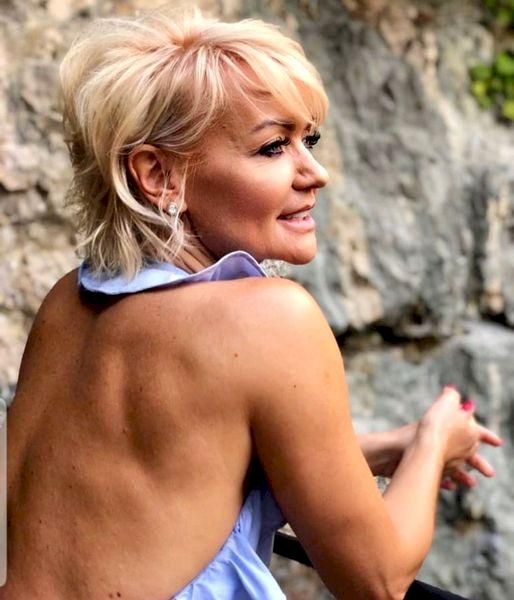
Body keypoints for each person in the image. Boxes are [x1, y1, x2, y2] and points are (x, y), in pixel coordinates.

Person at [2, 7, 502, 600]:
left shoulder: (67, 302)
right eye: (272, 147)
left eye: (308, 140)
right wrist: (433, 442)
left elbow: (168, 478)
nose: (316, 173)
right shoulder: (270, 319)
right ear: (159, 175)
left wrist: (385, 449)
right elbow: (379, 580)